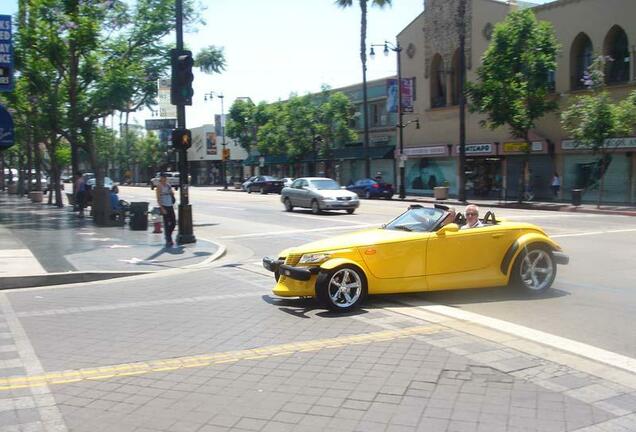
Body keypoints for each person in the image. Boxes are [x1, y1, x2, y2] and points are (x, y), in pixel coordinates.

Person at [156, 174, 176, 247]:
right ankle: (169, 239)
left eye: (165, 178)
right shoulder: (159, 186)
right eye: (163, 178)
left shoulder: (168, 185)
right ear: (161, 178)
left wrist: (172, 193)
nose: (164, 179)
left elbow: (172, 194)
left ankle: (168, 235)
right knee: (167, 223)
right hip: (164, 206)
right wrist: (162, 208)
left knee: (173, 222)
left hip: (170, 205)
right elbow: (158, 199)